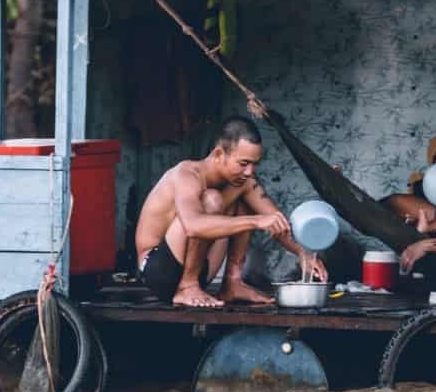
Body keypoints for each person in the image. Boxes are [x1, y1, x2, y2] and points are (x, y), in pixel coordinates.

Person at [136, 116, 327, 308]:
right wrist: (255, 221)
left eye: (254, 164)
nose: (249, 171)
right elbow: (193, 226)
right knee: (212, 200)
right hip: (158, 271)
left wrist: (304, 254)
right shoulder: (186, 174)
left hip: (200, 269)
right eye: (243, 163)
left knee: (242, 194)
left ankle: (232, 282)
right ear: (219, 154)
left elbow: (276, 220)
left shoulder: (243, 181)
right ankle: (188, 285)